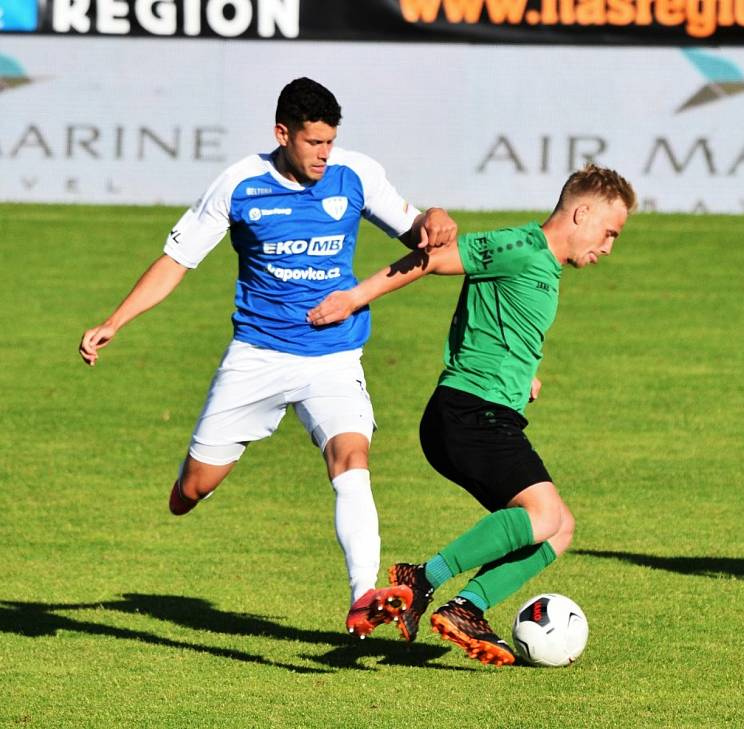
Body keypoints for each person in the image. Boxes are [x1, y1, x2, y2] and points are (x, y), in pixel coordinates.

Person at [79, 77, 457, 639]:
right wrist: (115, 320)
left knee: (352, 461)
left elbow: (425, 236)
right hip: (256, 357)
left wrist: (437, 216)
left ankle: (364, 599)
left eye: (331, 141)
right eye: (313, 143)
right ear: (283, 134)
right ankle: (191, 483)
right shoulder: (239, 185)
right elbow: (176, 260)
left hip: (333, 357)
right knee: (194, 490)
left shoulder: (356, 175)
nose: (325, 155)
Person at [307, 164, 636, 665]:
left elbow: (502, 325)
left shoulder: (543, 266)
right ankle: (422, 582)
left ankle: (467, 607)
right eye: (609, 232)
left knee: (560, 527)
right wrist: (354, 297)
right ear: (583, 212)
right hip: (466, 413)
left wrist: (524, 374)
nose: (609, 247)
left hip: (488, 412)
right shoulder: (519, 246)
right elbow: (432, 259)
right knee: (542, 514)